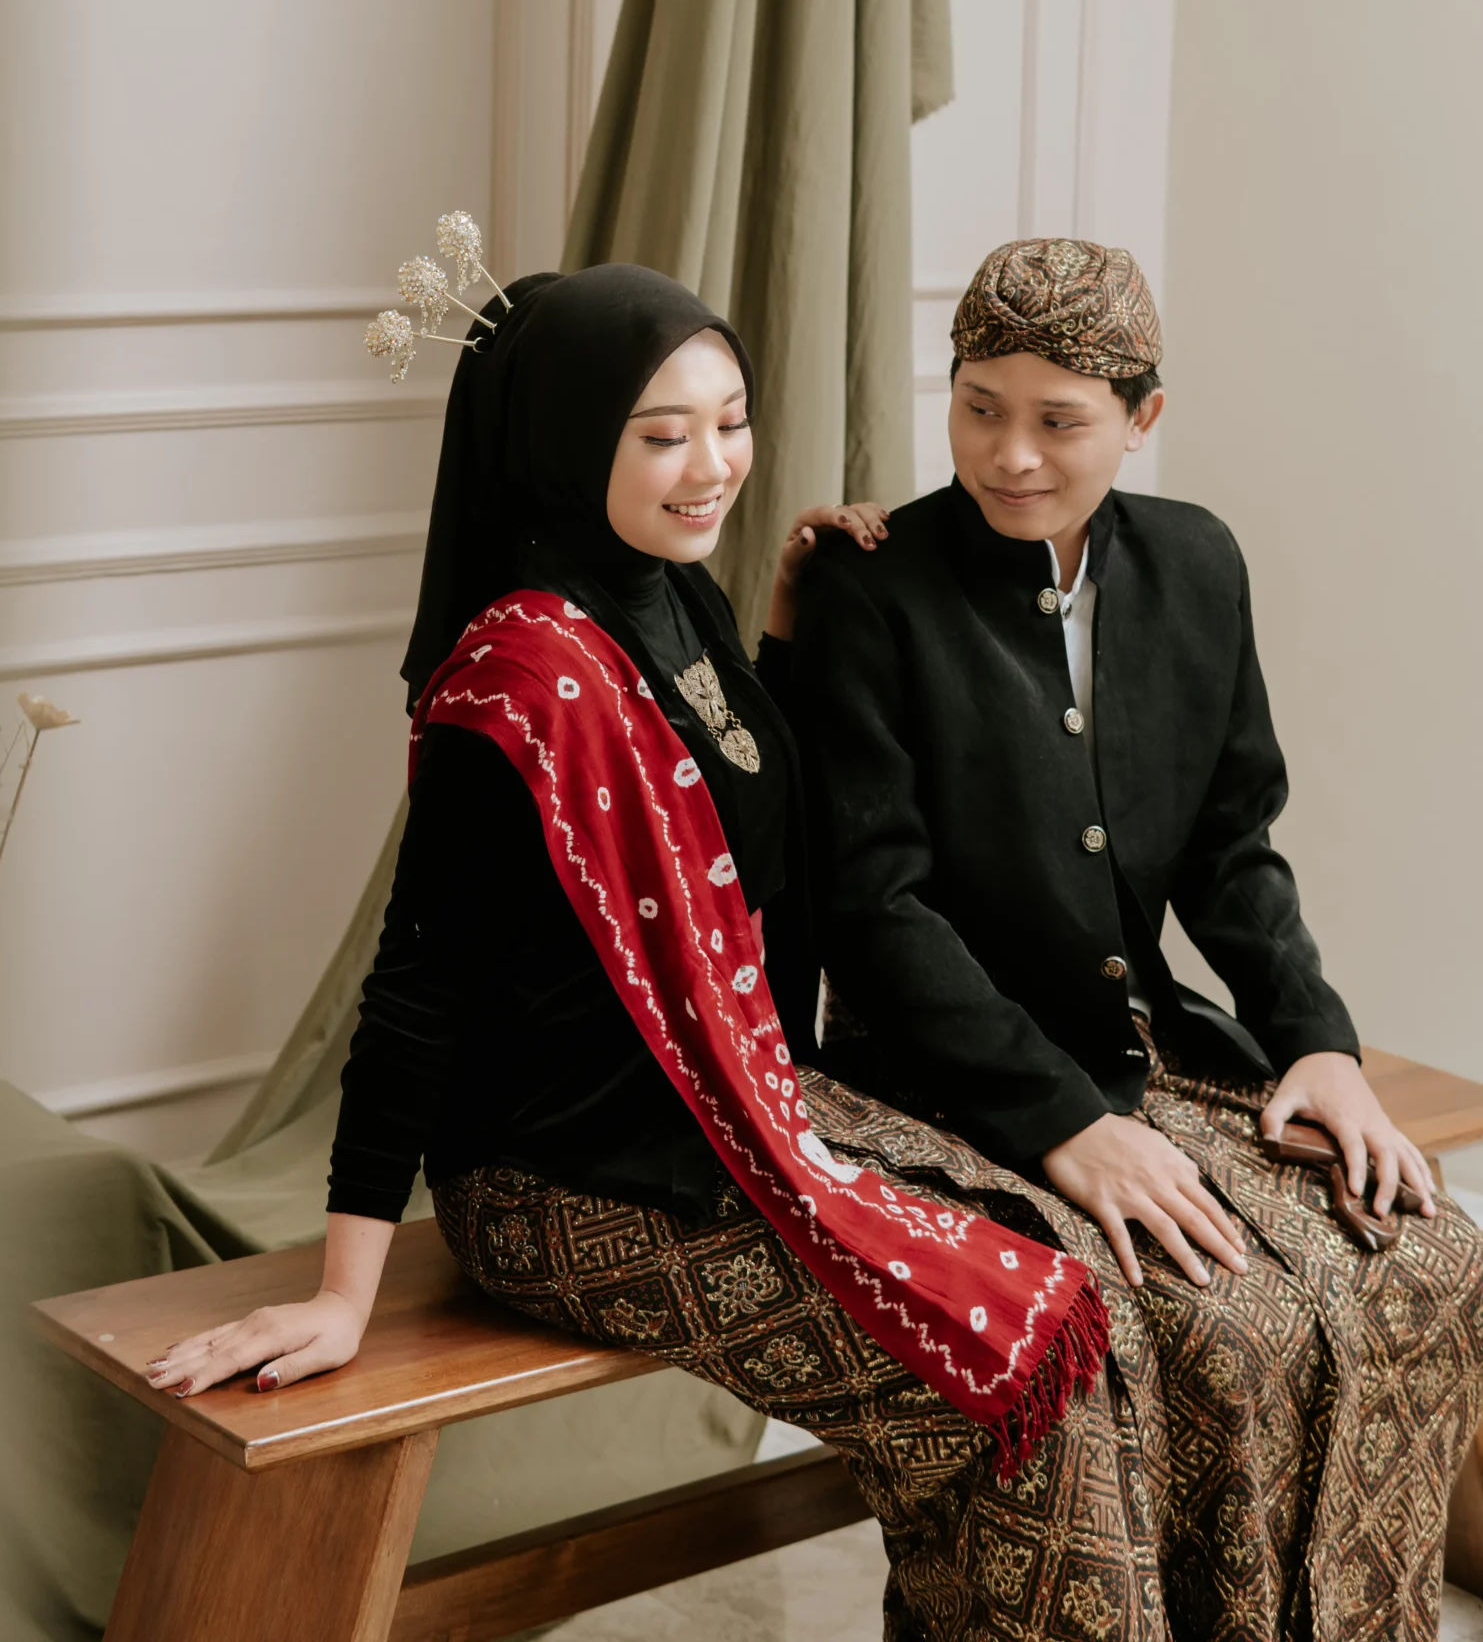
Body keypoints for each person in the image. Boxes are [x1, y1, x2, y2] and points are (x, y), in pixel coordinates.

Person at [145, 263, 1188, 1641]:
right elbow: (413, 996)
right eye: (662, 435)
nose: (713, 467)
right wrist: (344, 1298)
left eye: (731, 422)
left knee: (1076, 1310)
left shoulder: (668, 589)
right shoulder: (517, 681)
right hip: (561, 1182)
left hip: (722, 1109)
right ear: (569, 441)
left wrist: (784, 623)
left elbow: (736, 806)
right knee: (1001, 1362)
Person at [792, 235, 1483, 1637]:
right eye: (978, 406)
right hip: (937, 1075)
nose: (1010, 454)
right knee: (1216, 1325)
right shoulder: (872, 584)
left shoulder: (1195, 562)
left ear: (1142, 416)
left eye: (1059, 420)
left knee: (1430, 1259)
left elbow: (1232, 847)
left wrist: (1319, 1044)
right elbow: (874, 909)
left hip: (1144, 1043)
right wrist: (1061, 1123)